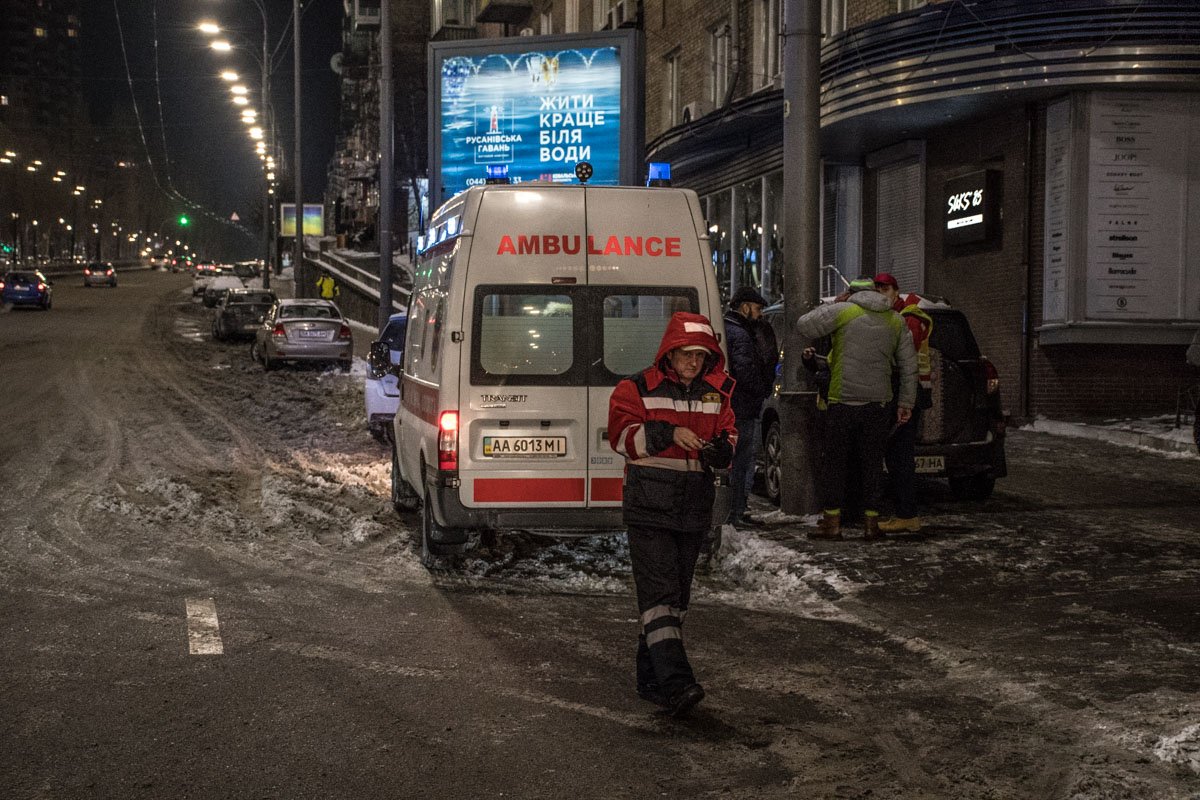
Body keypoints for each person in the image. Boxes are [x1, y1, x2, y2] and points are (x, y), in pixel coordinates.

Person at [608, 311, 737, 717]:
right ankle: (678, 684)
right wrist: (668, 432)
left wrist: (722, 451)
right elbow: (623, 438)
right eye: (686, 355)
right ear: (669, 352)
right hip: (649, 505)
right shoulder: (635, 388)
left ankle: (651, 680)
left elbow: (729, 436)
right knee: (660, 596)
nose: (693, 363)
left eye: (701, 356)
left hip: (692, 505)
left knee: (675, 601)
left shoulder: (718, 392)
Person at [796, 276, 917, 541]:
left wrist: (834, 305)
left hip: (843, 400)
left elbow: (804, 325)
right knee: (872, 464)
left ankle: (832, 523)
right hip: (879, 404)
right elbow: (909, 366)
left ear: (850, 292)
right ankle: (871, 525)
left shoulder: (844, 310)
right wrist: (906, 402)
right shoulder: (895, 319)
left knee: (836, 464)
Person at [873, 273, 934, 534]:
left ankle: (906, 514)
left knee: (900, 457)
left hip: (910, 393)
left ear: (895, 290)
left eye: (884, 288)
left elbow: (903, 353)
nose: (880, 293)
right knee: (898, 456)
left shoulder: (909, 316)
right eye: (877, 289)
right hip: (906, 392)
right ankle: (904, 512)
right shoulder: (897, 315)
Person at [722, 286, 778, 528]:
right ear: (744, 307)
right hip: (743, 406)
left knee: (739, 461)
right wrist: (761, 389)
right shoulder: (741, 334)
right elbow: (745, 371)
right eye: (756, 309)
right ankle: (736, 513)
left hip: (737, 405)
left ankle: (736, 511)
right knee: (742, 461)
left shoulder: (729, 328)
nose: (759, 314)